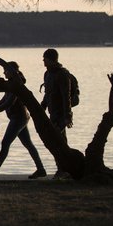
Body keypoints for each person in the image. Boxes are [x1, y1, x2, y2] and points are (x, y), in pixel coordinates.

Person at [0, 62, 47, 179]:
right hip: (20, 117)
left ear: (11, 71)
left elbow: (9, 102)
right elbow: (4, 99)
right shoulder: (11, 83)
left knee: (6, 143)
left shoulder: (17, 84)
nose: (4, 73)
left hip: (19, 118)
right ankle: (41, 169)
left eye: (5, 70)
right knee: (28, 144)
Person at [40, 48, 73, 179]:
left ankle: (64, 169)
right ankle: (64, 168)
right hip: (52, 113)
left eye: (45, 59)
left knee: (59, 142)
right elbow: (48, 93)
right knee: (58, 141)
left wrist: (68, 116)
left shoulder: (62, 74)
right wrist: (42, 106)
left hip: (60, 114)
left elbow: (66, 96)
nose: (43, 61)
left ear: (51, 59)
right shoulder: (47, 74)